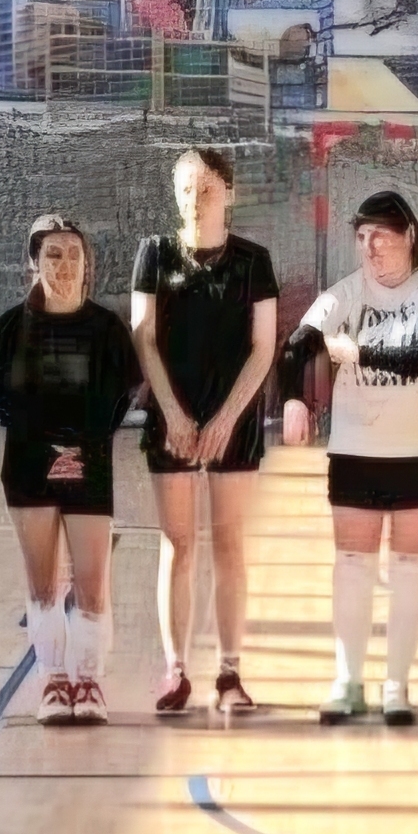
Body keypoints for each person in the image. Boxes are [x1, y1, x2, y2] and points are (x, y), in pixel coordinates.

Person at [279, 192, 418, 727]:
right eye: (361, 237)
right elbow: (298, 344)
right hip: (357, 447)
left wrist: (357, 353)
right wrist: (294, 398)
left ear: (409, 235)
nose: (370, 247)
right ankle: (348, 681)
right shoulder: (344, 293)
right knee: (353, 566)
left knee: (409, 566)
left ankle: (396, 685)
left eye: (381, 235)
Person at [0, 215, 141, 726]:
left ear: (87, 263)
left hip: (88, 465)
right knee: (43, 583)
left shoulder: (106, 328)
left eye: (73, 254)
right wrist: (44, 444)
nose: (64, 264)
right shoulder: (12, 327)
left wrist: (79, 445)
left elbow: (119, 397)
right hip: (28, 468)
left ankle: (88, 678)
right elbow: (0, 399)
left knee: (91, 582)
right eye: (52, 254)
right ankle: (53, 680)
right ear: (34, 263)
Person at [132, 148, 279, 716]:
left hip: (232, 421)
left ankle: (230, 673)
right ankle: (175, 670)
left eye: (208, 188)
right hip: (172, 418)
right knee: (178, 542)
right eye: (187, 188)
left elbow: (263, 348)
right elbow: (144, 337)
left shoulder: (253, 261)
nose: (196, 199)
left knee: (228, 541)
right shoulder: (155, 253)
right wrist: (173, 413)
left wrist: (225, 419)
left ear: (229, 193)